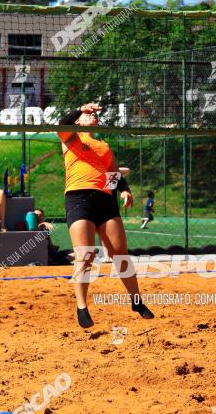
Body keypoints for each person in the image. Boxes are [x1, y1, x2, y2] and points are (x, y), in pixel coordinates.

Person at [57, 102, 154, 328]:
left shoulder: (103, 145)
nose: (92, 116)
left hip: (105, 200)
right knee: (85, 255)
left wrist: (125, 190)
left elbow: (113, 174)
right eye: (86, 115)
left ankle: (136, 301)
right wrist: (80, 108)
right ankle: (82, 307)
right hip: (79, 198)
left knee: (120, 254)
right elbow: (61, 124)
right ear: (78, 121)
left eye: (93, 115)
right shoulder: (71, 138)